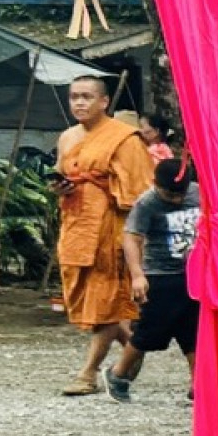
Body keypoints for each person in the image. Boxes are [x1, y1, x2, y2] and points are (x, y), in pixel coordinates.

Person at [53, 74, 156, 395]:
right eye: (74, 97)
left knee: (107, 299)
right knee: (90, 298)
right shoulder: (68, 137)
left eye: (86, 96)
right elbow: (61, 173)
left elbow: (142, 191)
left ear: (104, 101)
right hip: (76, 223)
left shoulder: (125, 138)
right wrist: (63, 186)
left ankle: (88, 373)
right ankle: (132, 350)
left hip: (112, 227)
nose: (79, 103)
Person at [112, 157, 204, 402]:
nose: (176, 199)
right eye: (170, 195)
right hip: (160, 274)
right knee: (150, 330)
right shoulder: (146, 203)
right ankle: (118, 374)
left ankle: (198, 384)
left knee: (193, 331)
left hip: (194, 273)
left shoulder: (198, 193)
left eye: (180, 194)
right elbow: (132, 238)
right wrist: (137, 275)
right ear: (156, 184)